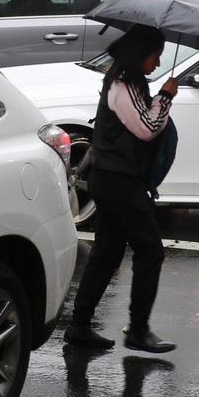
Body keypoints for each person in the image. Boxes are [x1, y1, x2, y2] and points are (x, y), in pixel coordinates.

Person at [64, 25, 178, 353]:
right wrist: (166, 96)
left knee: (107, 253)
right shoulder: (123, 83)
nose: (157, 62)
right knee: (150, 250)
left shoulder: (128, 80)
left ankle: (80, 327)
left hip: (115, 178)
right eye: (155, 54)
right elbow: (146, 128)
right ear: (140, 53)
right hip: (118, 181)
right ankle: (138, 330)